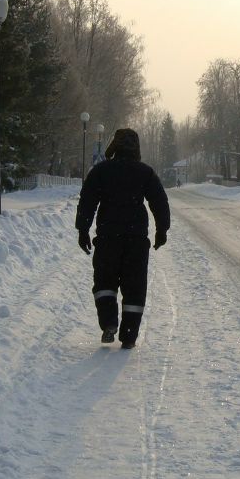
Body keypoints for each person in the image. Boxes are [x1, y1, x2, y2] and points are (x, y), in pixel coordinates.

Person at [75, 126, 170, 347]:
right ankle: (128, 336)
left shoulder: (101, 171)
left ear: (115, 146)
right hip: (136, 241)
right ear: (136, 148)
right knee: (135, 287)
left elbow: (87, 200)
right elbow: (159, 202)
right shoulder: (145, 172)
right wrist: (161, 230)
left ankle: (109, 323)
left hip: (108, 238)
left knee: (105, 283)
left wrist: (83, 230)